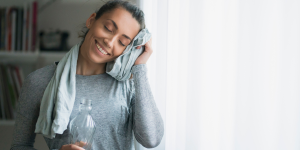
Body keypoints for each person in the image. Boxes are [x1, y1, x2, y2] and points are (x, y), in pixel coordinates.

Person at [10, 1, 164, 150]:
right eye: (108, 28)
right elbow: (19, 146)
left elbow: (151, 139)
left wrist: (140, 68)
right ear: (91, 20)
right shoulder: (39, 81)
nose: (110, 42)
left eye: (122, 42)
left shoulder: (130, 84)